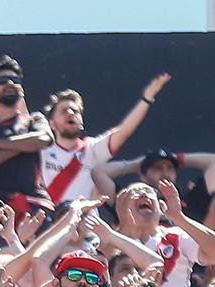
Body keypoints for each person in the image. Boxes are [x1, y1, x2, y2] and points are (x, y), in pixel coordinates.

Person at [40, 74, 169, 205]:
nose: (71, 113)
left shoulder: (91, 148)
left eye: (75, 111)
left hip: (87, 221)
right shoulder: (40, 150)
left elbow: (123, 132)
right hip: (53, 222)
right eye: (63, 111)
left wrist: (146, 99)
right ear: (52, 123)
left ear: (81, 121)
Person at [0, 56, 54, 218]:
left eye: (15, 79)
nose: (10, 83)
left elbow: (44, 139)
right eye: (3, 80)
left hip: (37, 207)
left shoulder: (35, 119)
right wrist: (25, 146)